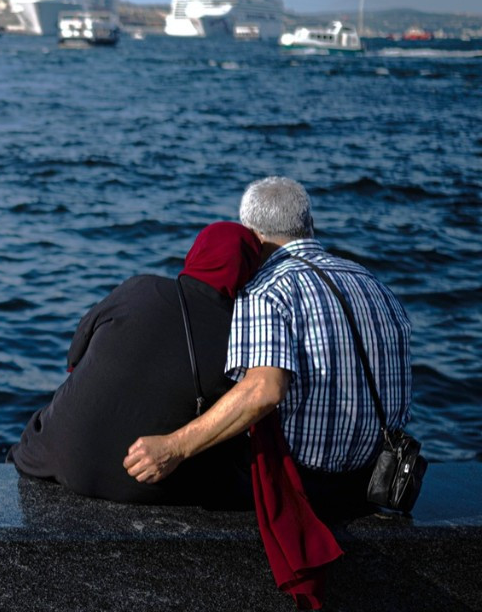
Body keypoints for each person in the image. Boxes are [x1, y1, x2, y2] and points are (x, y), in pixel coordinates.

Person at [124, 177, 412, 516]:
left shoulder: (266, 290)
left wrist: (175, 447)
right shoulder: (373, 284)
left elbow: (265, 390)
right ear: (308, 225)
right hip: (375, 478)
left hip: (308, 484)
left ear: (252, 236)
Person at [10, 221, 263, 505]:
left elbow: (74, 360)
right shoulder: (243, 334)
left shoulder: (139, 288)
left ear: (195, 254)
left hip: (51, 458)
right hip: (141, 481)